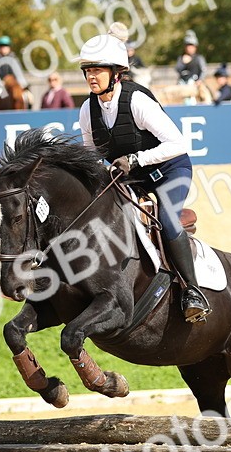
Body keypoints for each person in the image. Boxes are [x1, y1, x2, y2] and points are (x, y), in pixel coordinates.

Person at [77, 22, 210, 323]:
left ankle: (193, 291)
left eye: (97, 70)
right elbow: (90, 156)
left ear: (116, 73)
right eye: (87, 71)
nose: (91, 77)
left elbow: (177, 143)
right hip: (132, 179)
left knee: (165, 219)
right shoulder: (87, 110)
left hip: (170, 169)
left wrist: (135, 159)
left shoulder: (137, 100)